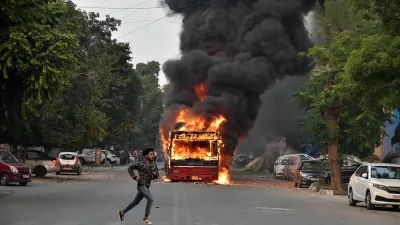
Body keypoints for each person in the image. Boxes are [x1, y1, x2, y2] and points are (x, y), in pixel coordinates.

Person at [118, 148, 159, 224]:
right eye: (151, 154)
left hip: (147, 186)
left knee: (135, 202)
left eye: (153, 154)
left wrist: (154, 174)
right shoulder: (140, 164)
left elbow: (156, 176)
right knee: (151, 199)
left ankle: (122, 212)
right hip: (141, 185)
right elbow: (130, 168)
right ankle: (146, 218)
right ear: (146, 156)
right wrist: (135, 177)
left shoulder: (153, 164)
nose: (152, 156)